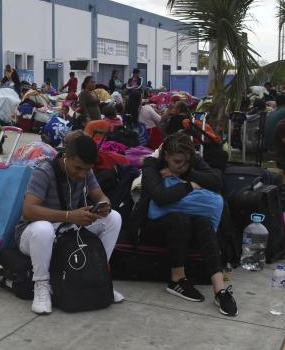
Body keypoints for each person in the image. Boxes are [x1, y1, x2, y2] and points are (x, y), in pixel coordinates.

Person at [16, 135, 124, 314]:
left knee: (114, 218)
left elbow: (100, 196)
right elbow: (29, 211)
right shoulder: (43, 171)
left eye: (86, 170)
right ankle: (41, 285)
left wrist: (104, 205)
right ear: (66, 156)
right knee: (43, 229)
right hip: (32, 235)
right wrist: (69, 216)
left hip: (67, 230)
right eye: (78, 168)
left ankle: (98, 277)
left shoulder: (85, 171)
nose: (81, 174)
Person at [131, 133, 237, 316]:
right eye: (177, 162)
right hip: (152, 226)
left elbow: (217, 180)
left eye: (187, 162)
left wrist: (187, 173)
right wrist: (190, 186)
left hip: (187, 224)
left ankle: (220, 290)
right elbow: (161, 197)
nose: (182, 167)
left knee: (203, 221)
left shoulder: (188, 163)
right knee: (180, 218)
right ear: (165, 156)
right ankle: (177, 279)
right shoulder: (152, 165)